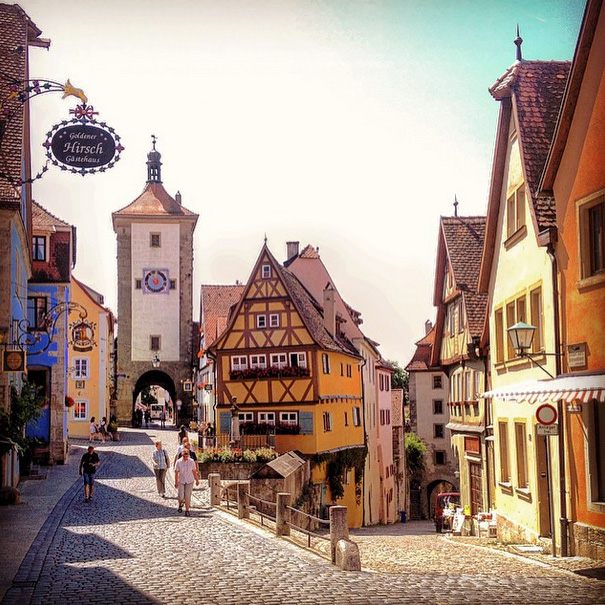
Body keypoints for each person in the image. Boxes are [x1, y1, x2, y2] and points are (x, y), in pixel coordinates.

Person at [174, 448, 199, 516]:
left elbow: (194, 471)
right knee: (180, 496)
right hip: (181, 480)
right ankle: (181, 503)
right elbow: (176, 472)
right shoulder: (179, 462)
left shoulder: (191, 461)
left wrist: (197, 480)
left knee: (188, 496)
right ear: (182, 455)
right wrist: (176, 482)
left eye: (186, 456)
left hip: (189, 480)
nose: (185, 458)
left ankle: (187, 510)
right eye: (184, 456)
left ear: (188, 455)